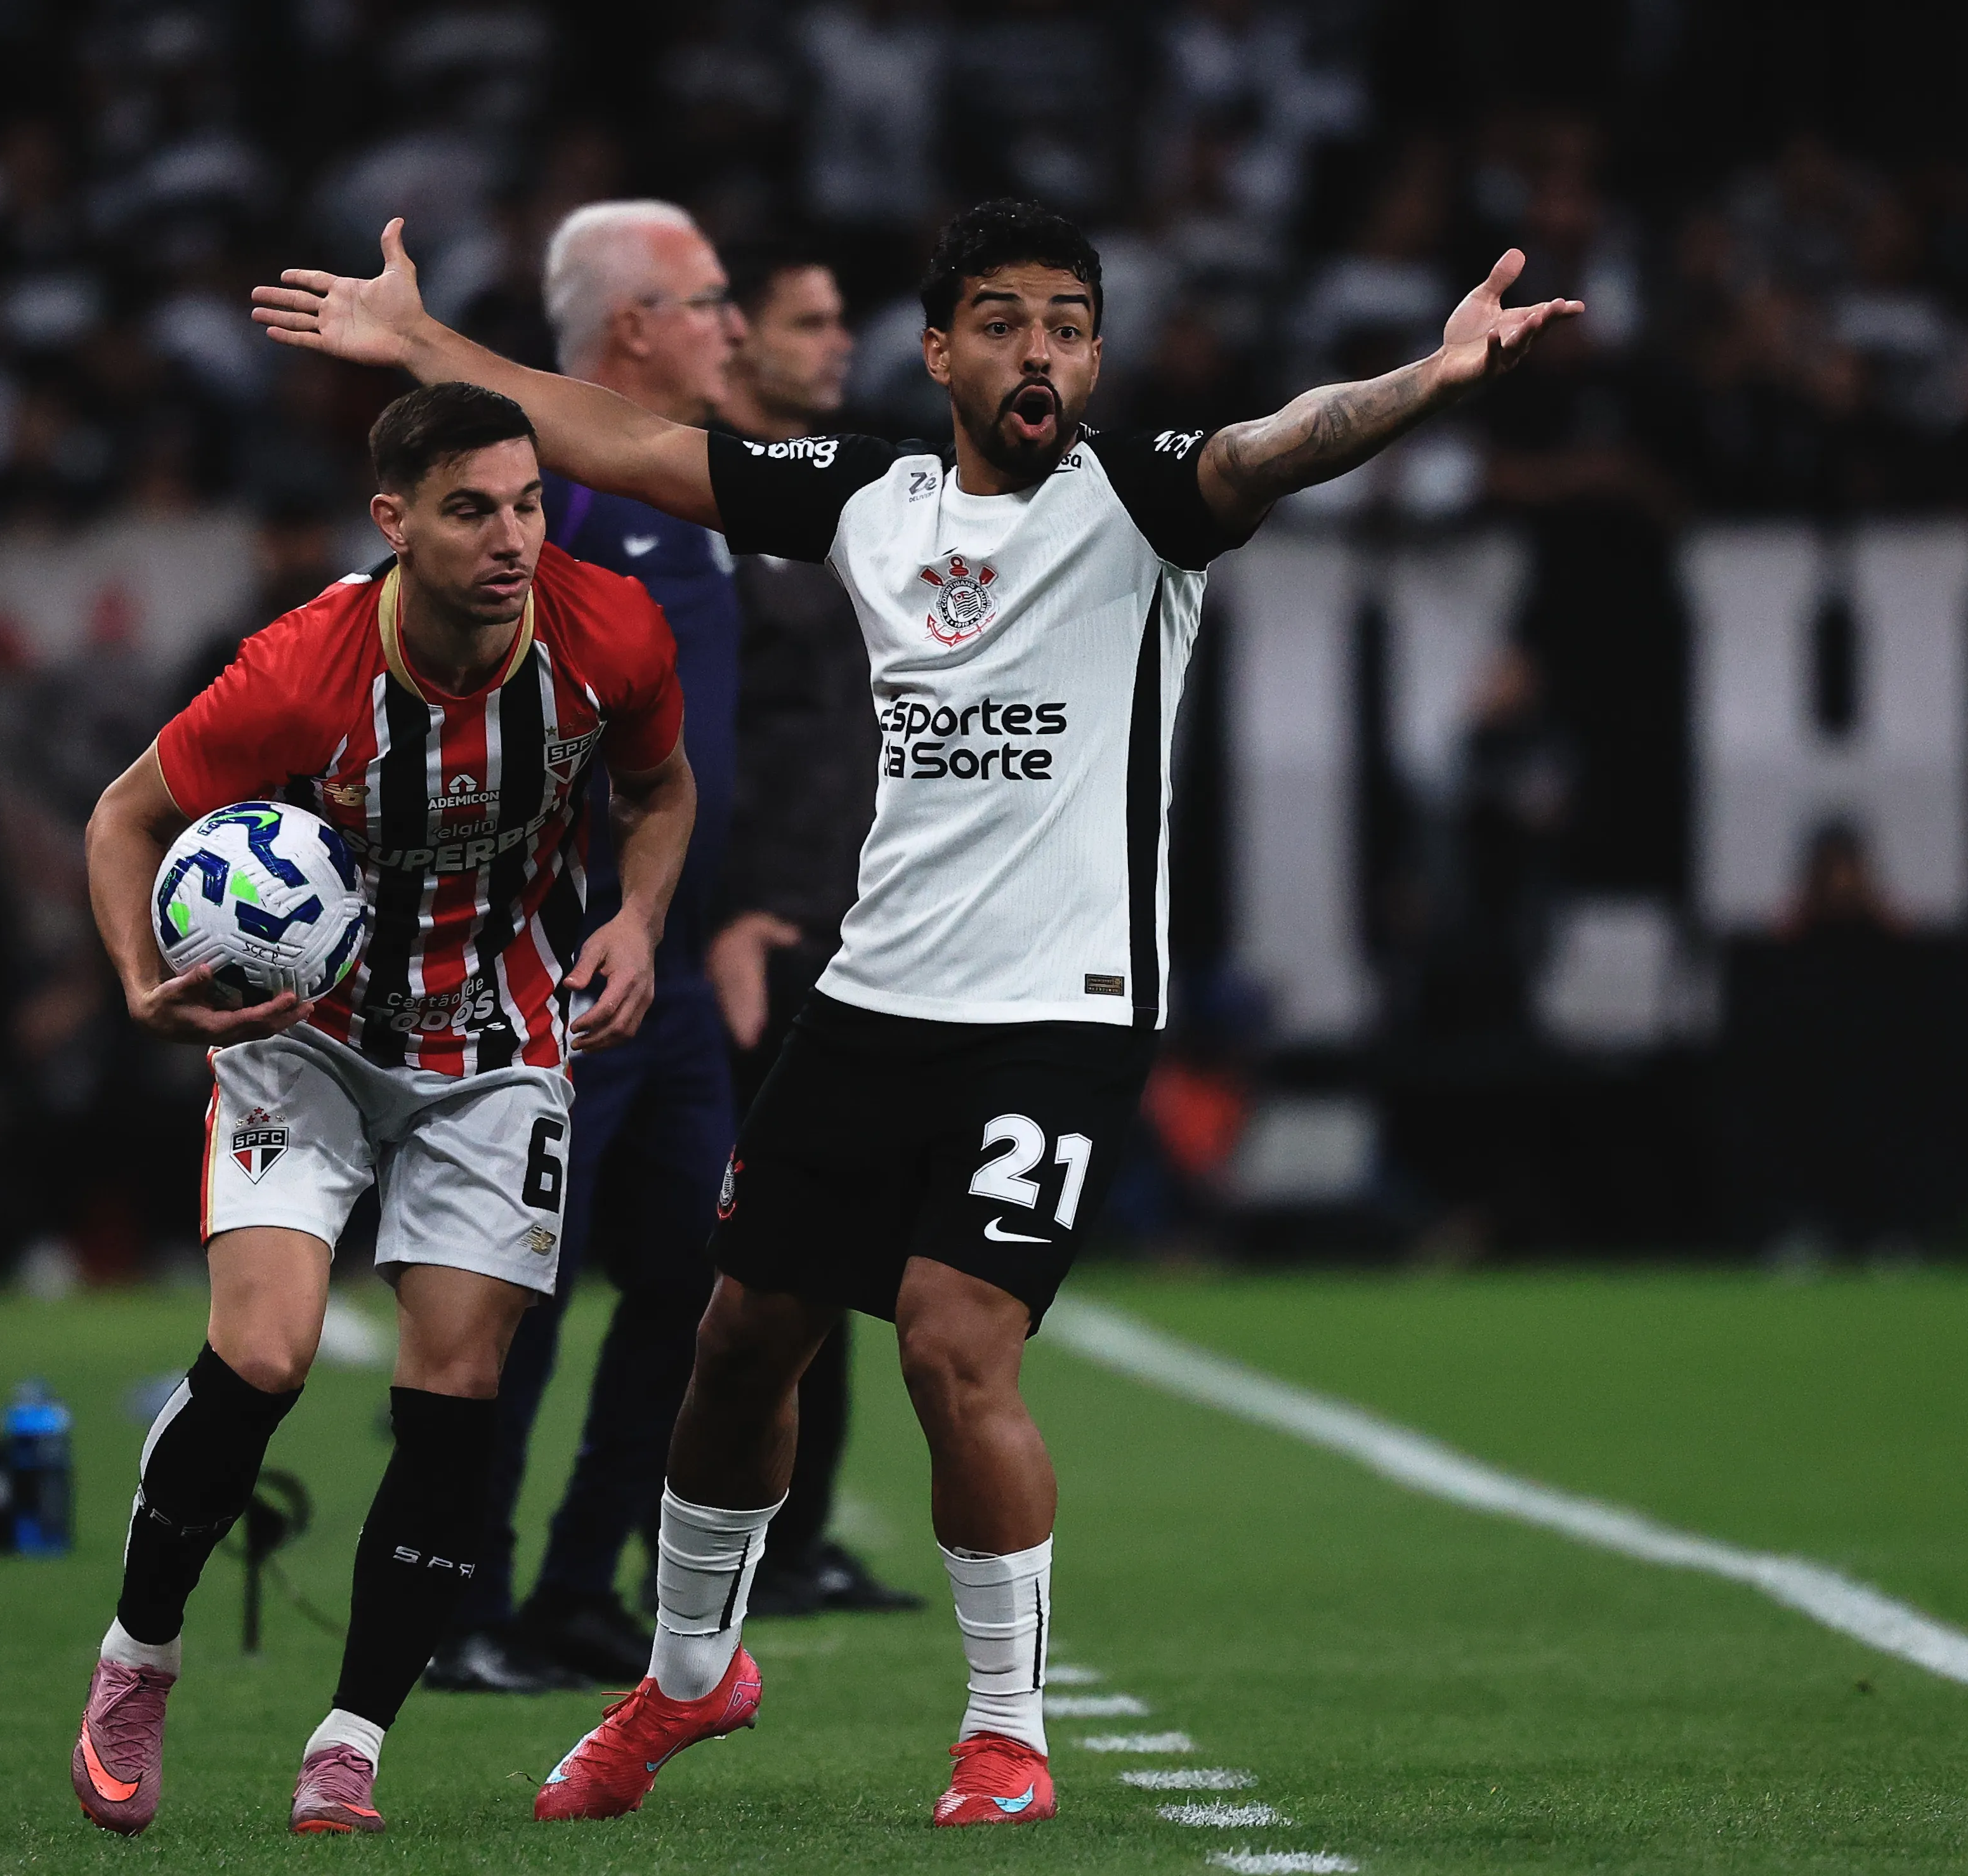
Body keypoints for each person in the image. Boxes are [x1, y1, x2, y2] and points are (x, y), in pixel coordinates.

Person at [255, 195, 1577, 1827]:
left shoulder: (1143, 500)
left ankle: (1006, 1729)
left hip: (1060, 1018)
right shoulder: (870, 500)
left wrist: (1427, 381)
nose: (1045, 353)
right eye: (1009, 322)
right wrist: (425, 344)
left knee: (959, 1345)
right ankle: (686, 1679)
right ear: (941, 348)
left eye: (1073, 325)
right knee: (739, 1348)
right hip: (874, 1001)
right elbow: (631, 438)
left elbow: (1282, 442)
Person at [65, 381, 695, 1838]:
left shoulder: (611, 635)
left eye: (530, 502)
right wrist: (138, 980)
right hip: (310, 1035)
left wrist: (645, 916)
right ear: (394, 521)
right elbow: (121, 816)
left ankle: (349, 1737)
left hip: (502, 1040)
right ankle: (136, 1653)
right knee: (267, 1351)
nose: (513, 537)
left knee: (455, 1392)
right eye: (473, 509)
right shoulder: (300, 670)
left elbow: (660, 791)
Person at [426, 200, 752, 1695]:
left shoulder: (704, 493)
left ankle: (571, 1587)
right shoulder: (523, 510)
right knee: (510, 1295)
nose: (729, 326)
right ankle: (460, 1599)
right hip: (546, 971)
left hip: (675, 974)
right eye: (706, 301)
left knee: (694, 1289)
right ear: (632, 328)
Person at [705, 243, 920, 1618]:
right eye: (807, 322)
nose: (837, 343)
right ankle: (720, 1547)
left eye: (844, 321)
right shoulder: (707, 504)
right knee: (754, 1247)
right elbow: (689, 734)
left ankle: (793, 1541)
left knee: (840, 1245)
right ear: (738, 339)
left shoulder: (868, 492)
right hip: (759, 915)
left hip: (863, 913)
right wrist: (722, 907)